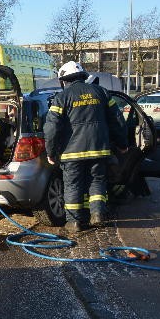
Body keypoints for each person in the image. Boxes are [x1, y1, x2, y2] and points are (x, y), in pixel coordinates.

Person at [43, 61, 128, 233]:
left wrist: (50, 152)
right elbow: (117, 120)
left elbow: (51, 127)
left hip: (71, 153)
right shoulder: (102, 92)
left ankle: (74, 223)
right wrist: (122, 144)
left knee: (73, 185)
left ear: (63, 80)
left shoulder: (61, 97)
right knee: (97, 181)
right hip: (99, 149)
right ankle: (97, 215)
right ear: (82, 76)